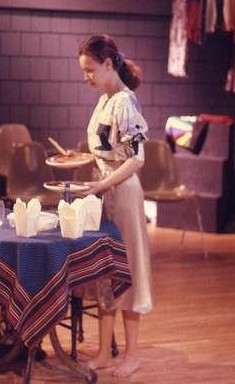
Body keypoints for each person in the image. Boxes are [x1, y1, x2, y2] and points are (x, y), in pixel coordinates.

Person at [77, 34, 153, 378]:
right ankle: (105, 352)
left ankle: (132, 354)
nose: (86, 77)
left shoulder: (125, 102)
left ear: (108, 64)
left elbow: (136, 159)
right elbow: (104, 150)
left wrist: (103, 184)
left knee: (129, 271)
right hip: (105, 191)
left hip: (122, 194)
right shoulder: (105, 99)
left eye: (90, 70)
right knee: (106, 270)